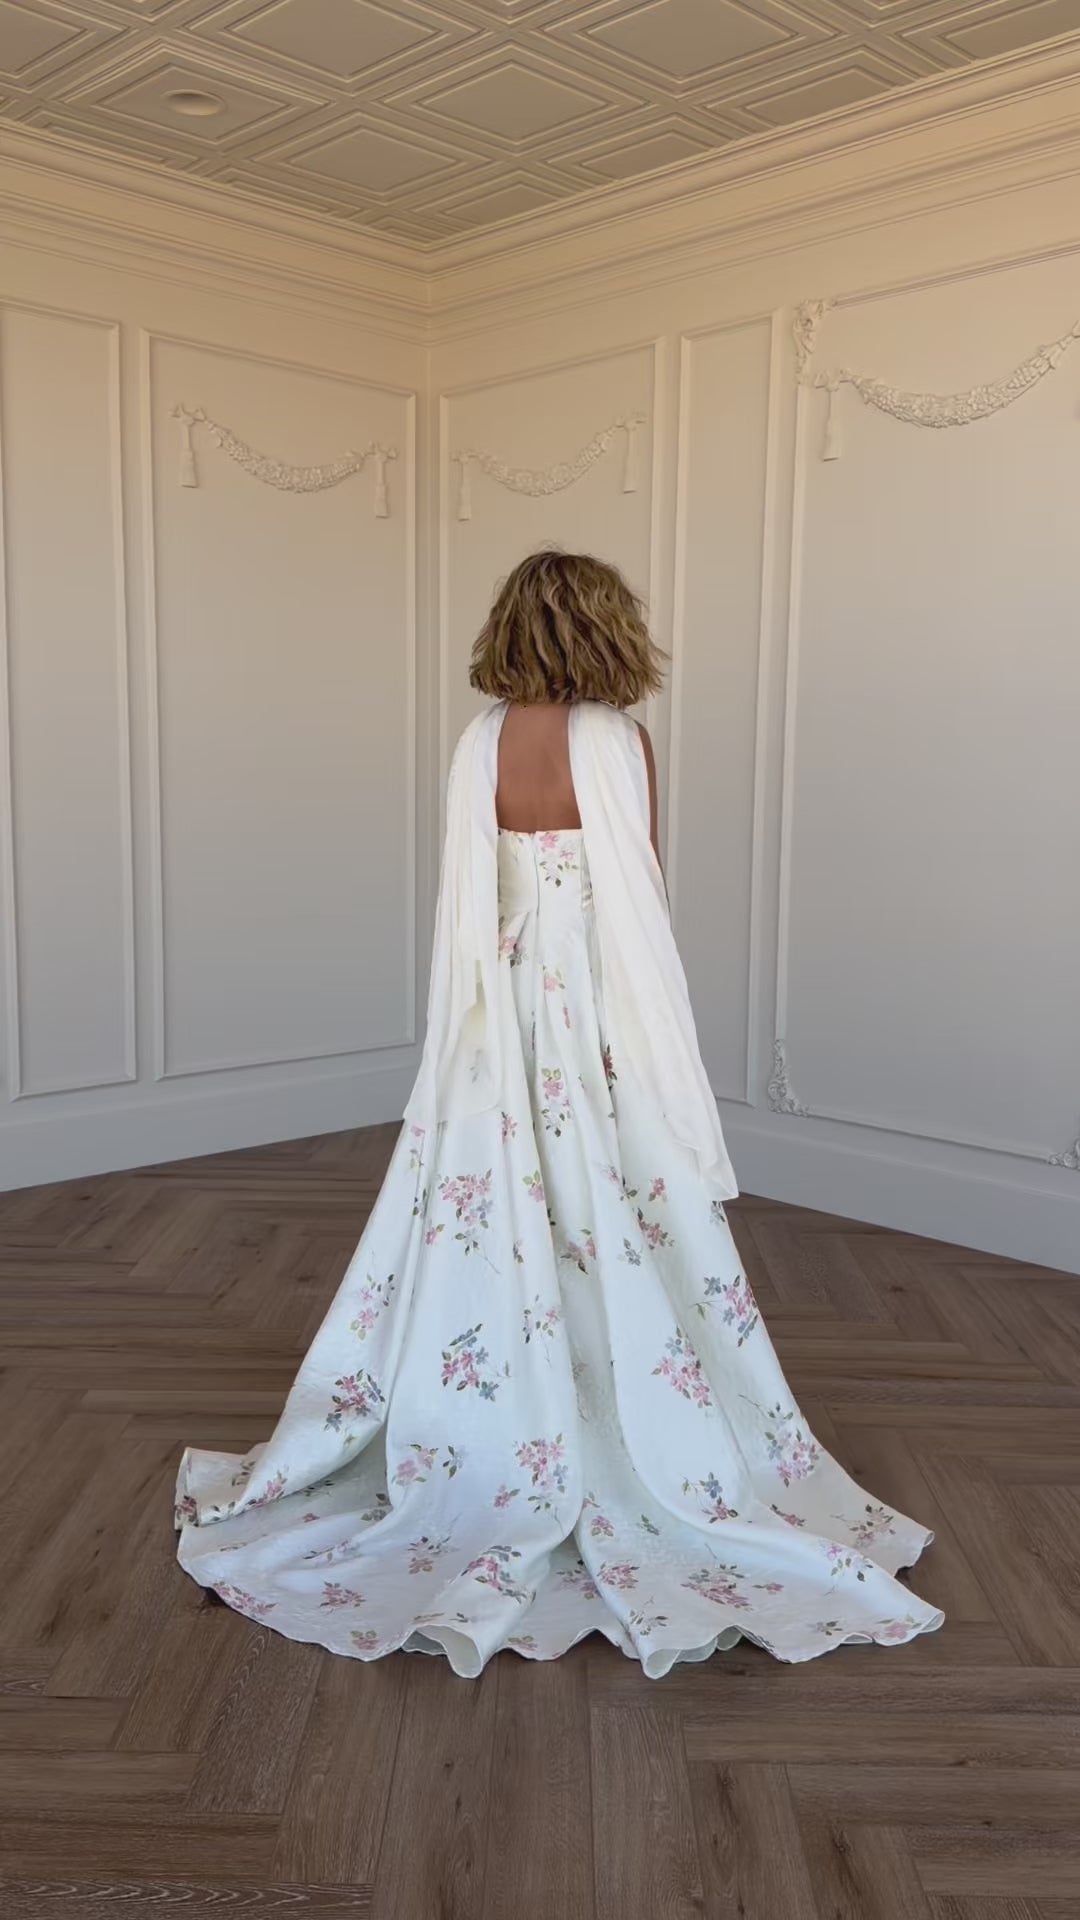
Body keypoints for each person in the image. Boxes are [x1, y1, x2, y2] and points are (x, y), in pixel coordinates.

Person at [175, 548, 943, 1677]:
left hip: (496, 1012)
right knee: (616, 1202)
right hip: (588, 1011)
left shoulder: (477, 741)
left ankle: (488, 1412)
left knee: (483, 1208)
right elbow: (641, 900)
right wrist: (652, 1052)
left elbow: (466, 897)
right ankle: (634, 1428)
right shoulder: (618, 742)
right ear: (604, 629)